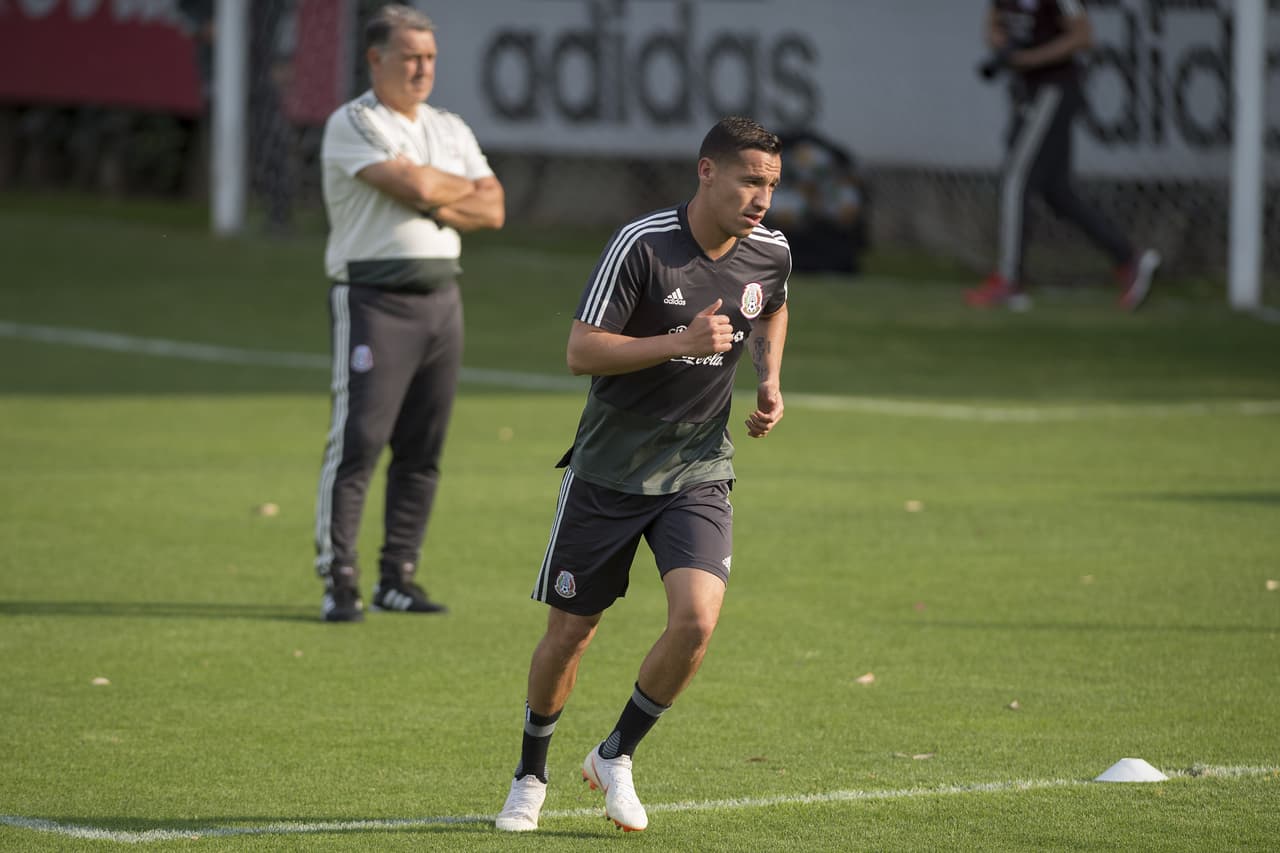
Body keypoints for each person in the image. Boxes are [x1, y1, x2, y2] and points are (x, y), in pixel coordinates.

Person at [494, 116, 791, 833]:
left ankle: (616, 753)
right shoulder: (642, 245)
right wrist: (679, 342)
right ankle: (530, 774)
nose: (763, 199)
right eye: (751, 180)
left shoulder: (771, 250)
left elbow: (773, 304)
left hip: (698, 464)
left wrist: (769, 379)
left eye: (773, 186)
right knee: (571, 633)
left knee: (696, 619)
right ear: (707, 172)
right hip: (609, 468)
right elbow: (580, 351)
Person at [313, 4, 504, 622]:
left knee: (423, 447)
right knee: (361, 440)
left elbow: (494, 207)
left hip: (442, 301)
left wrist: (431, 189)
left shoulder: (447, 126)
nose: (422, 69)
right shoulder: (354, 122)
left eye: (429, 58)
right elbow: (426, 190)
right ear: (376, 59)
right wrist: (448, 192)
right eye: (410, 57)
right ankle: (339, 578)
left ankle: (398, 575)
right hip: (374, 299)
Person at [967, 0, 1160, 312]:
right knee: (1058, 193)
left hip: (1054, 89)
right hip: (1026, 92)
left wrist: (1030, 58)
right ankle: (1128, 258)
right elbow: (993, 22)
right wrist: (999, 42)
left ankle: (1009, 279)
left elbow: (1083, 36)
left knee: (1016, 179)